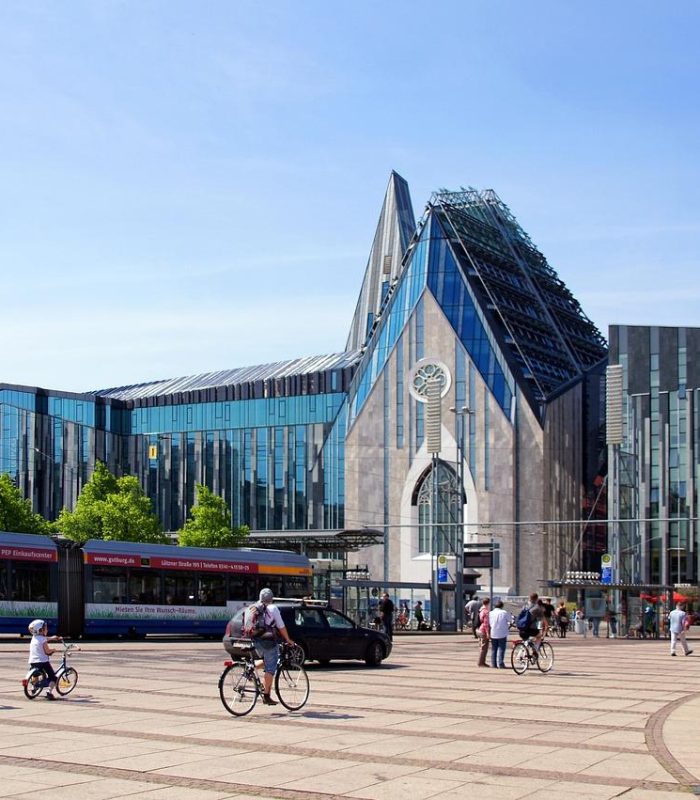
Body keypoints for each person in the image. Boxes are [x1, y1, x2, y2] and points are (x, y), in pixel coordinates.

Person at [245, 588, 294, 706]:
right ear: (271, 598)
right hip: (268, 641)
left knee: (267, 660)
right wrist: (288, 640)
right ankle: (266, 696)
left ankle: (249, 669)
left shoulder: (253, 607)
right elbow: (281, 626)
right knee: (270, 669)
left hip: (255, 641)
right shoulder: (273, 608)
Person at [27, 619, 63, 701]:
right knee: (53, 677)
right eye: (46, 628)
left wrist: (53, 638)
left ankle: (33, 687)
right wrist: (53, 650)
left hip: (33, 661)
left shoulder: (34, 638)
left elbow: (43, 638)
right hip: (43, 662)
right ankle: (49, 692)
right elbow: (47, 651)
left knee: (35, 675)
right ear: (40, 630)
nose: (47, 630)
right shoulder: (43, 640)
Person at [489, 599, 509, 669]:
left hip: (493, 632)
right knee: (501, 648)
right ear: (502, 606)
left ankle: (493, 664)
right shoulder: (504, 612)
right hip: (502, 633)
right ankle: (501, 663)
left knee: (494, 649)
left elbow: (489, 622)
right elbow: (510, 620)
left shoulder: (491, 613)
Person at [477, 597, 491, 666]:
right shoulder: (486, 611)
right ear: (488, 603)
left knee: (481, 647)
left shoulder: (481, 610)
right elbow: (486, 623)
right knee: (484, 648)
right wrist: (488, 633)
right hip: (483, 631)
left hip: (480, 629)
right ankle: (481, 662)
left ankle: (482, 662)